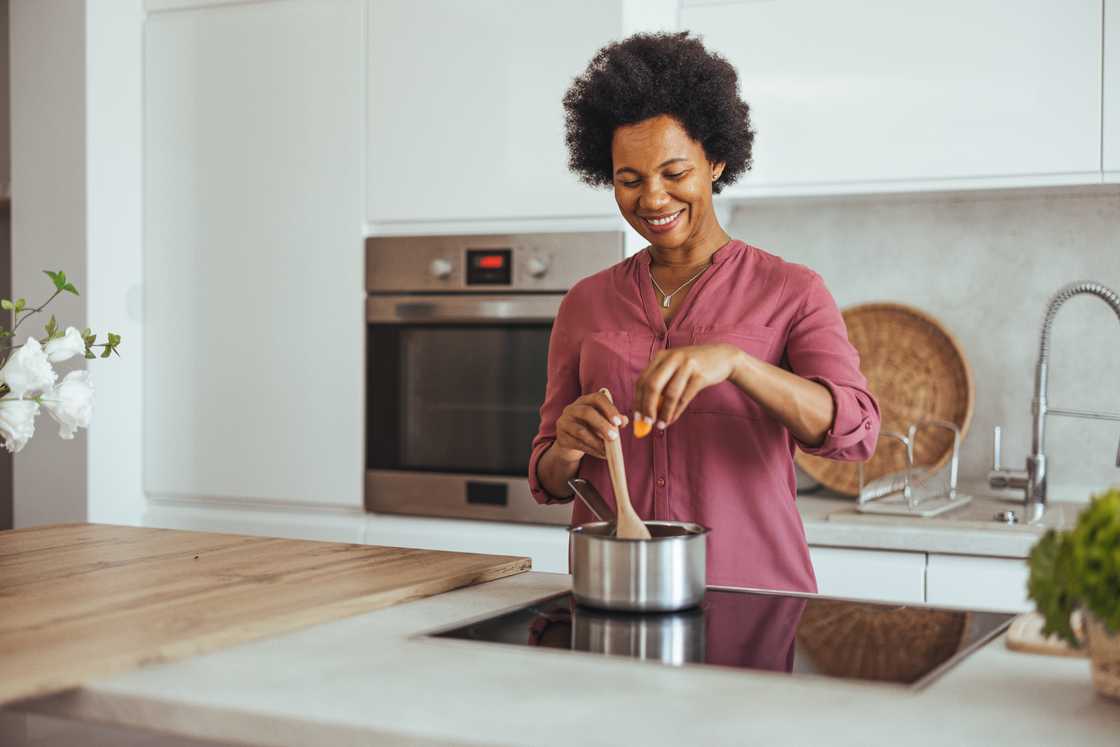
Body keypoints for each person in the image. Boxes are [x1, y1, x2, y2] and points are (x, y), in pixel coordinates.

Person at [528, 32, 880, 592]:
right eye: (630, 179)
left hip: (756, 595)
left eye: (674, 173)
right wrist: (567, 444)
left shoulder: (792, 290)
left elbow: (856, 432)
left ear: (715, 160)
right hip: (617, 591)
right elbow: (548, 477)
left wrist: (739, 365)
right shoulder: (584, 303)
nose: (653, 199)